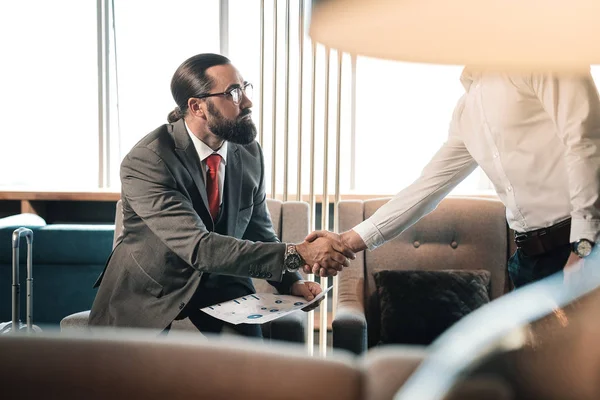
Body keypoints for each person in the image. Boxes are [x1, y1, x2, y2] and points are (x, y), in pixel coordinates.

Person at [89, 53, 354, 337]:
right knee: (135, 380)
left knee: (250, 366)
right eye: (233, 93)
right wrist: (297, 252)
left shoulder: (249, 152)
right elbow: (199, 247)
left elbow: (258, 229)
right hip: (151, 286)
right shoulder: (148, 160)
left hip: (220, 281)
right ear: (197, 106)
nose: (248, 102)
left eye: (244, 88)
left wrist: (291, 281)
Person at [306, 67, 600, 289]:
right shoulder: (467, 109)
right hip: (529, 262)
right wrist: (345, 241)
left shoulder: (546, 54)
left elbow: (586, 142)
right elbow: (427, 188)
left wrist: (584, 249)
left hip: (585, 248)